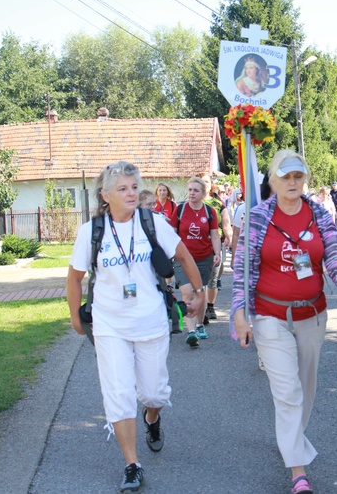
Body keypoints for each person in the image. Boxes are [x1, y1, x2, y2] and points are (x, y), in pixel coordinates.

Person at [231, 150, 337, 494]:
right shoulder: (258, 217)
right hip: (269, 315)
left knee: (305, 389)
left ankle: (289, 436)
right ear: (272, 181)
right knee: (289, 392)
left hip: (312, 314)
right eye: (285, 176)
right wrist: (239, 314)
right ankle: (298, 471)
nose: (292, 182)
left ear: (305, 179)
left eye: (298, 176)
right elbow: (242, 271)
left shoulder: (320, 215)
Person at [66, 161, 205, 492]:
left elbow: (184, 257)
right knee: (118, 394)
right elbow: (74, 278)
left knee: (153, 393)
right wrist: (75, 316)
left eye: (133, 187)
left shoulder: (153, 223)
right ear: (105, 195)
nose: (130, 193)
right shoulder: (91, 231)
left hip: (151, 321)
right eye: (122, 188)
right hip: (109, 324)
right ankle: (132, 463)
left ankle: (152, 418)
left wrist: (198, 293)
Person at [170, 176, 221, 347]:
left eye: (195, 190)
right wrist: (171, 251)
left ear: (203, 193)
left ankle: (199, 325)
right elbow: (172, 232)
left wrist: (217, 253)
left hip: (203, 257)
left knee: (201, 292)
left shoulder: (210, 212)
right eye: (190, 190)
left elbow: (214, 235)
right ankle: (191, 332)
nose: (191, 193)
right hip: (183, 258)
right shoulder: (180, 210)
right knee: (187, 293)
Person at [196, 172, 233, 324]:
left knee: (213, 278)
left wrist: (230, 238)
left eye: (206, 181)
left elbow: (225, 223)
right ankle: (201, 308)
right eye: (201, 181)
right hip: (196, 244)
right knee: (199, 279)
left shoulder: (218, 204)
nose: (204, 184)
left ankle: (210, 306)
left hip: (215, 243)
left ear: (211, 184)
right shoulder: (191, 202)